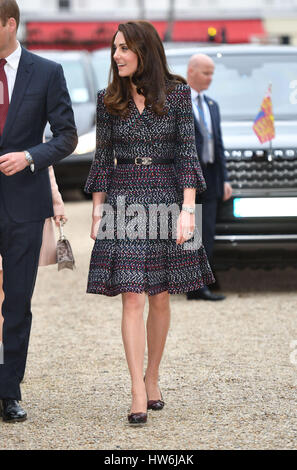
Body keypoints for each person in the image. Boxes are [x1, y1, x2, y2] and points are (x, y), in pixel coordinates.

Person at [85, 20, 214, 426]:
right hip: (123, 199)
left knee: (159, 295)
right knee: (132, 295)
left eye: (124, 48)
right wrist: (96, 211)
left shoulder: (176, 94)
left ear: (144, 50)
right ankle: (136, 389)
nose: (117, 55)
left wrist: (188, 210)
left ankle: (152, 376)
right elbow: (102, 159)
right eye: (114, 49)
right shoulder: (108, 99)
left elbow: (187, 154)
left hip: (167, 196)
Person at [0, 0, 77, 422]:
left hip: (24, 206)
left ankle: (9, 391)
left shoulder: (47, 72)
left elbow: (66, 136)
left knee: (17, 302)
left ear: (10, 24)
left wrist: (30, 155)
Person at [0, 166, 67, 342]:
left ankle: (4, 359)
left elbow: (44, 162)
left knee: (11, 292)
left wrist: (56, 202)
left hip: (20, 207)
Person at [186, 54, 232, 301]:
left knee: (207, 232)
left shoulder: (212, 105)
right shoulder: (179, 102)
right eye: (206, 73)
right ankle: (194, 286)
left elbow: (219, 144)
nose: (210, 78)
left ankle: (203, 281)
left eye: (212, 73)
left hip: (212, 175)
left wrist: (225, 178)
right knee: (191, 232)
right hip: (189, 176)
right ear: (191, 71)